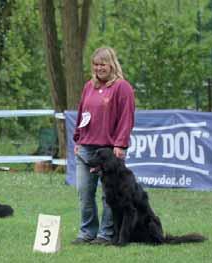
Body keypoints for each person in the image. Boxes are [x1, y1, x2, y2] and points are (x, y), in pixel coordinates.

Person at [71, 47, 136, 245]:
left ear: (112, 64)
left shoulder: (122, 87)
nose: (99, 68)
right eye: (96, 65)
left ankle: (105, 234)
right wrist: (78, 138)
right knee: (84, 192)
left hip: (109, 151)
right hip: (86, 148)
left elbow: (127, 117)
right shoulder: (88, 86)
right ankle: (87, 232)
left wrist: (121, 143)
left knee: (109, 195)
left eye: (103, 64)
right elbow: (82, 113)